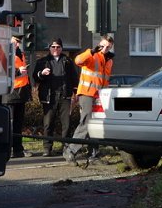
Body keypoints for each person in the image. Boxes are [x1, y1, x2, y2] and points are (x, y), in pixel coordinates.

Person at [65, 35, 114, 167]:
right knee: (86, 122)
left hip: (99, 96)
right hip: (87, 93)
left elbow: (104, 80)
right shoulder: (92, 55)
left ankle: (93, 155)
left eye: (108, 47)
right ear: (99, 45)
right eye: (103, 46)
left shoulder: (109, 60)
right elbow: (78, 60)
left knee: (96, 124)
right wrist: (91, 51)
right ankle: (71, 150)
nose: (105, 48)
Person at [33, 38, 79, 156]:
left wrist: (75, 92)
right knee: (48, 123)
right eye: (53, 47)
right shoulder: (42, 61)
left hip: (64, 96)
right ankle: (47, 148)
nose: (55, 49)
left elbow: (74, 78)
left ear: (61, 48)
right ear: (49, 48)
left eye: (58, 47)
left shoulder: (67, 61)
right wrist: (41, 74)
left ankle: (66, 148)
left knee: (66, 124)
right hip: (49, 96)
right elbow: (35, 77)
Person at [4, 36, 32, 158]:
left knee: (18, 124)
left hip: (21, 93)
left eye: (18, 41)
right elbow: (3, 70)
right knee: (9, 124)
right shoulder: (4, 52)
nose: (16, 43)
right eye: (14, 40)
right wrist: (18, 72)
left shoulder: (20, 54)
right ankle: (8, 150)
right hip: (10, 93)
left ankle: (18, 149)